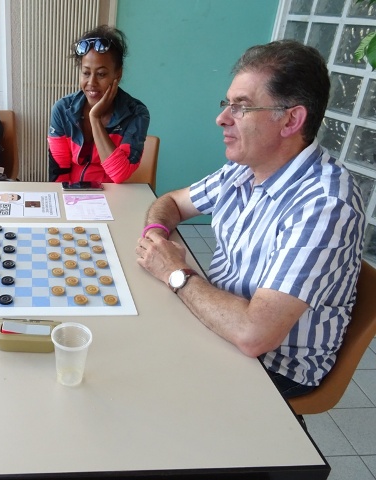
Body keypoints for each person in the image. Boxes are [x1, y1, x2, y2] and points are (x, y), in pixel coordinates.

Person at [135, 40, 366, 399]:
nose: (222, 118)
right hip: (220, 319)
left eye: (241, 107)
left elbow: (253, 335)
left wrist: (175, 273)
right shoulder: (244, 169)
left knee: (135, 378)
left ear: (291, 119)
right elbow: (171, 202)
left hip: (272, 365)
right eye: (226, 104)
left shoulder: (325, 205)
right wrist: (156, 235)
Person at [48, 25, 150, 184]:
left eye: (101, 74)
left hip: (114, 194)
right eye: (86, 73)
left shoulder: (136, 113)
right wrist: (66, 197)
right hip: (72, 193)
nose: (91, 83)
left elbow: (119, 174)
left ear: (118, 74)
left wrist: (94, 118)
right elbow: (59, 172)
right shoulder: (62, 109)